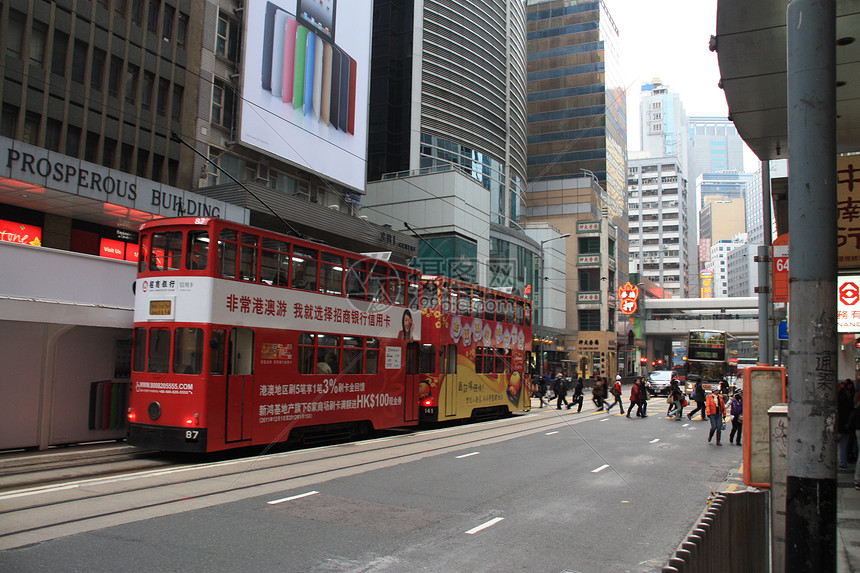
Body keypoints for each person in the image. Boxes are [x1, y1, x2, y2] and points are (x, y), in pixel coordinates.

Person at [838, 379, 855, 467]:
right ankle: (843, 463)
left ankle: (843, 462)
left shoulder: (840, 403)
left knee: (842, 446)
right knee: (844, 446)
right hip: (846, 427)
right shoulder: (849, 403)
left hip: (841, 427)